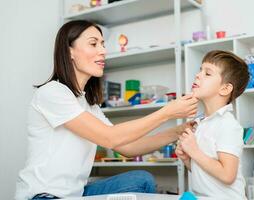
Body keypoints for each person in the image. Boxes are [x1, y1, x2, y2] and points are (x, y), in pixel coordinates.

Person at [15, 20, 198, 200]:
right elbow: (109, 137)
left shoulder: (88, 104)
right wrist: (167, 112)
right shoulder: (52, 92)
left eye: (102, 44)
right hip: (44, 196)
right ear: (69, 51)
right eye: (93, 44)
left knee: (141, 180)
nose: (103, 51)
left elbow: (127, 147)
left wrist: (177, 131)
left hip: (76, 194)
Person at [175, 50, 249, 199]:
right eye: (200, 70)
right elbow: (205, 173)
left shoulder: (228, 125)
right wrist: (187, 159)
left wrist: (194, 151)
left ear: (225, 89)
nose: (198, 75)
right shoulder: (201, 123)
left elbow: (228, 175)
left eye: (207, 73)